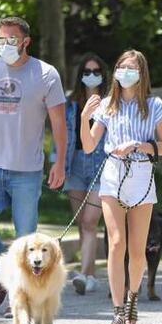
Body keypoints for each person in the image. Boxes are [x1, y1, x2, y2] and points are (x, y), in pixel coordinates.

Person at [0, 16, 67, 318]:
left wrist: (59, 161)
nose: (5, 45)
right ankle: (5, 275)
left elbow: (58, 122)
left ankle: (20, 294)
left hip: (27, 170)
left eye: (11, 39)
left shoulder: (46, 74)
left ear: (26, 41)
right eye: (1, 39)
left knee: (27, 238)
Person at [80, 49, 162, 324]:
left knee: (137, 249)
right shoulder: (108, 104)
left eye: (131, 68)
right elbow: (88, 145)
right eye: (121, 67)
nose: (124, 72)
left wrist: (138, 145)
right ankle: (118, 311)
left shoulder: (155, 105)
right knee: (116, 242)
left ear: (141, 73)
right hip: (112, 175)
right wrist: (85, 117)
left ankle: (133, 297)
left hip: (142, 176)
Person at [51, 53, 109, 295]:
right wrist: (56, 163)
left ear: (104, 75)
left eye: (96, 71)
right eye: (87, 72)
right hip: (75, 166)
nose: (91, 76)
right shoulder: (70, 103)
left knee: (89, 221)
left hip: (101, 166)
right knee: (81, 223)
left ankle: (85, 275)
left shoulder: (110, 102)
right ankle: (90, 275)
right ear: (80, 76)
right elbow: (61, 136)